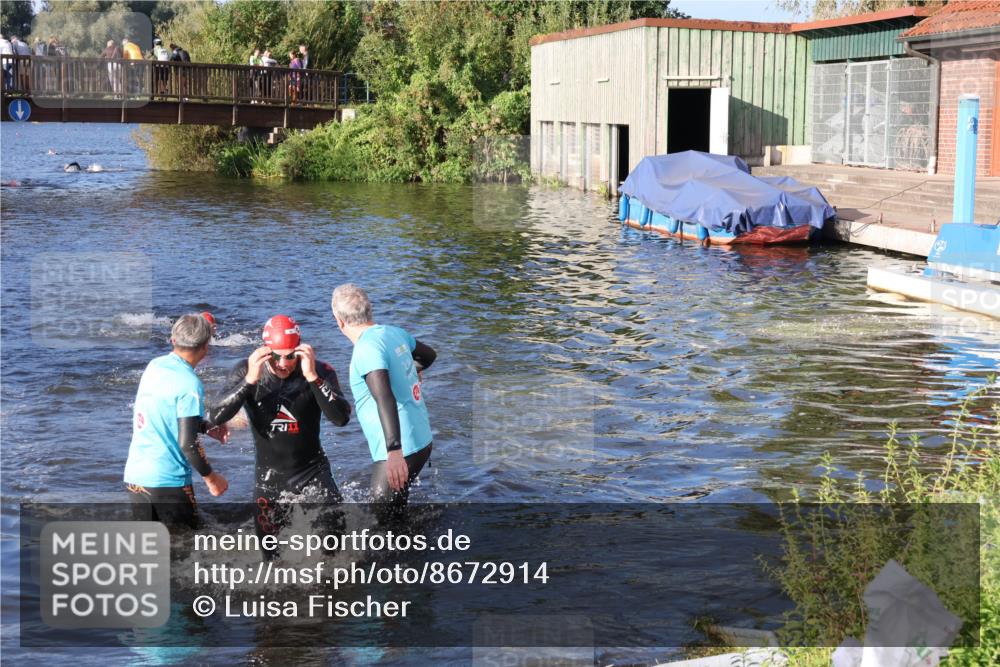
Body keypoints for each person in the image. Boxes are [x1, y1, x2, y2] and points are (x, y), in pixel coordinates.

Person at [205, 315, 351, 553]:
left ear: (300, 351)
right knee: (272, 559)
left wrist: (313, 377)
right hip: (269, 479)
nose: (283, 363)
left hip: (313, 473)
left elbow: (341, 418)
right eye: (276, 356)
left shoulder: (319, 369)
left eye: (290, 355)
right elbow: (215, 416)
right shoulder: (246, 369)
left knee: (335, 550)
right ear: (265, 351)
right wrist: (250, 381)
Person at [330, 284, 436, 522]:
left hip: (402, 449)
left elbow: (384, 397)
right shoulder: (393, 332)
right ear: (370, 310)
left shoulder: (366, 349)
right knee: (397, 517)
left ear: (338, 320)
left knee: (380, 524)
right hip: (422, 441)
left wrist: (394, 452)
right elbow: (428, 355)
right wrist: (414, 369)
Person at [123, 314, 229, 530]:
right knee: (185, 551)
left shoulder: (154, 366)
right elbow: (188, 443)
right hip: (168, 482)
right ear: (206, 347)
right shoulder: (190, 384)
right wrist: (211, 478)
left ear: (173, 340)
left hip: (136, 477)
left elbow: (163, 415)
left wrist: (205, 427)